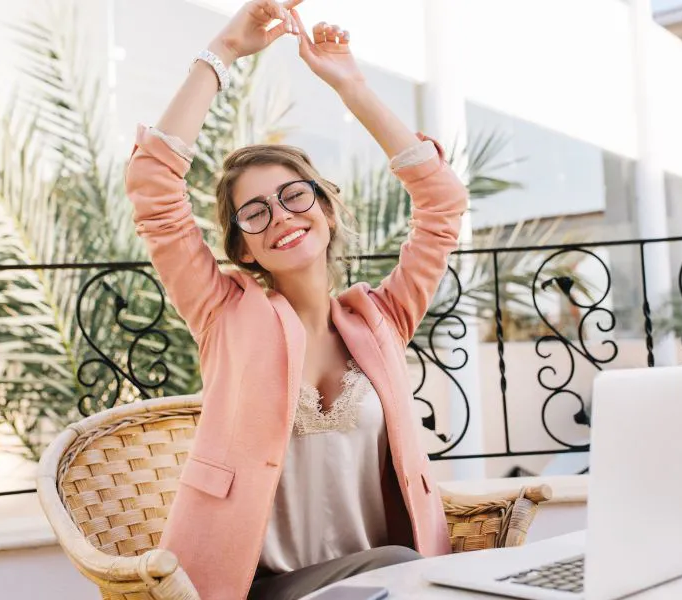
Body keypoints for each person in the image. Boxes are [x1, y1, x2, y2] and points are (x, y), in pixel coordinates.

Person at [124, 1, 467, 598]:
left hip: (376, 587)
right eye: (255, 212)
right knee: (402, 566)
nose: (281, 216)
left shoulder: (382, 321)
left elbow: (441, 204)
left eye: (294, 196)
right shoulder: (222, 315)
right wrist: (224, 50)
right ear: (244, 248)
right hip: (258, 588)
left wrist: (351, 85)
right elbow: (154, 189)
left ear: (326, 210)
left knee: (403, 569)